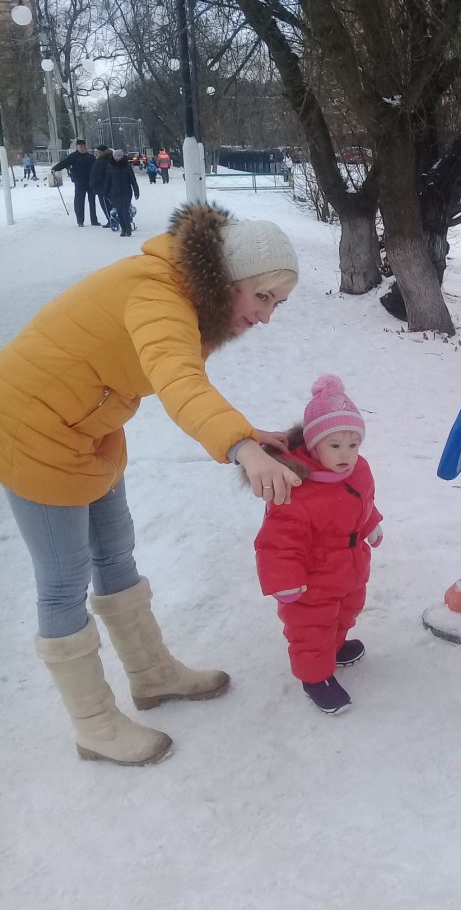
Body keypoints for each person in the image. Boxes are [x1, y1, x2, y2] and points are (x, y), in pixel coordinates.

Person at [0, 203, 302, 765]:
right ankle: (93, 725)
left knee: (115, 554)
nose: (266, 317)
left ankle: (152, 674)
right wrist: (237, 446)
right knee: (64, 582)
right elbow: (177, 378)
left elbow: (185, 373)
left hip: (88, 429)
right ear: (230, 278)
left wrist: (247, 433)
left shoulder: (190, 295)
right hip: (30, 427)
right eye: (263, 298)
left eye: (277, 305)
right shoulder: (158, 292)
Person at [255, 376, 382, 715]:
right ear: (313, 446)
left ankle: (335, 647)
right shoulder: (296, 490)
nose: (346, 455)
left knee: (347, 611)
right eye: (335, 446)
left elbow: (363, 503)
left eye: (353, 445)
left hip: (351, 568)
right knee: (313, 628)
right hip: (311, 582)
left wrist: (372, 523)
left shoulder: (359, 471)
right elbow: (278, 543)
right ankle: (315, 676)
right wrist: (285, 581)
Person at [52, 139, 101, 227]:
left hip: (91, 182)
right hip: (79, 182)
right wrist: (55, 168)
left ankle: (94, 220)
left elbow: (97, 167)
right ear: (77, 147)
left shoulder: (91, 157)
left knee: (92, 201)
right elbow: (64, 163)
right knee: (79, 202)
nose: (83, 148)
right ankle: (80, 221)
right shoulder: (73, 156)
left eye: (84, 146)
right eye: (81, 147)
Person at [103, 147, 140, 237]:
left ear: (122, 156)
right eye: (115, 156)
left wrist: (136, 191)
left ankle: (128, 229)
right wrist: (105, 192)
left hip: (126, 192)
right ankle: (123, 230)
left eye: (119, 156)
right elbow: (108, 180)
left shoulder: (127, 167)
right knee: (119, 211)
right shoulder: (110, 166)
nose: (117, 157)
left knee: (125, 210)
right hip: (115, 193)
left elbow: (133, 180)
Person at [89, 145, 114, 226]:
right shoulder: (113, 158)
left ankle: (111, 220)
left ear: (100, 152)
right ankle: (119, 218)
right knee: (114, 203)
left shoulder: (100, 161)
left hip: (102, 187)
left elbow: (96, 175)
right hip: (113, 185)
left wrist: (92, 184)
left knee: (105, 205)